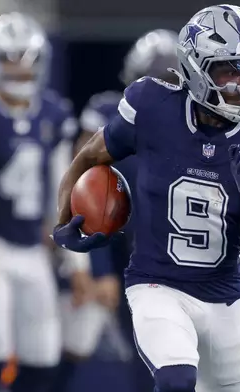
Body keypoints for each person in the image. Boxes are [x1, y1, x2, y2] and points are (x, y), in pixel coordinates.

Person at [53, 4, 240, 391]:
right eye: (230, 69)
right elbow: (87, 156)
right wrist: (64, 215)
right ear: (196, 69)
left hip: (225, 296)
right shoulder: (151, 107)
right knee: (176, 380)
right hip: (158, 285)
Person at [53, 28, 180, 392]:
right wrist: (98, 265)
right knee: (73, 345)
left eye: (173, 78)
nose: (165, 88)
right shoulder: (109, 111)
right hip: (112, 244)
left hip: (166, 251)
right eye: (158, 78)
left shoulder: (194, 124)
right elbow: (87, 184)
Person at [0, 12, 79, 392]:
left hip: (33, 247)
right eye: (9, 58)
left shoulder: (53, 113)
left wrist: (74, 258)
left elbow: (63, 187)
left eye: (27, 59)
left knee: (43, 357)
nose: (18, 69)